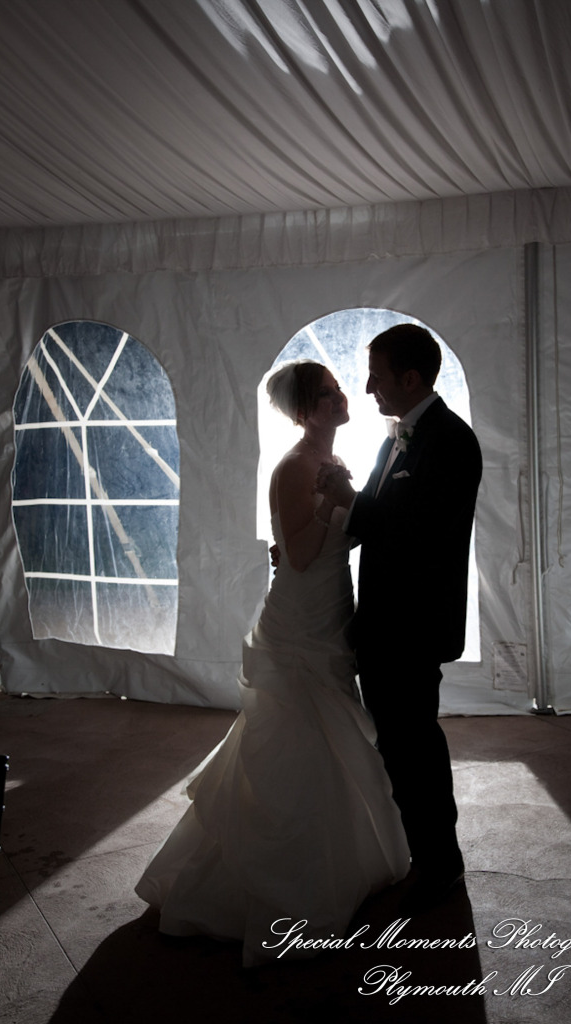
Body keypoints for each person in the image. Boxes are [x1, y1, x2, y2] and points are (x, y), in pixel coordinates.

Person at [135, 360, 409, 967]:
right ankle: (275, 886)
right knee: (292, 734)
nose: (343, 397)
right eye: (328, 394)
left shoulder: (334, 459)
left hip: (333, 610)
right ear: (306, 410)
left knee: (334, 731)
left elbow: (348, 533)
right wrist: (336, 502)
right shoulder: (294, 467)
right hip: (301, 617)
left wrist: (348, 502)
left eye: (340, 389)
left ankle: (340, 858)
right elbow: (302, 555)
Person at [317, 324, 482, 914]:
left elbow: (416, 535)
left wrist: (344, 495)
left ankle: (441, 866)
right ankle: (425, 857)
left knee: (416, 750)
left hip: (413, 627)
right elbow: (371, 521)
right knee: (397, 747)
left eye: (377, 376)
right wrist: (314, 537)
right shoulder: (395, 442)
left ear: (410, 379)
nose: (367, 389)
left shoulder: (451, 442)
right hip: (383, 625)